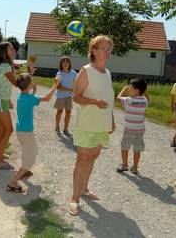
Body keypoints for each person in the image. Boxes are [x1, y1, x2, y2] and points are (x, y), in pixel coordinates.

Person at [68, 35, 116, 216]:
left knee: (92, 157)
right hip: (86, 124)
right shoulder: (86, 71)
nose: (107, 52)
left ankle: (84, 189)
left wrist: (111, 120)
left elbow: (109, 99)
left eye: (109, 49)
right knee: (82, 159)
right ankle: (74, 197)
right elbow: (76, 96)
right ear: (94, 51)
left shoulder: (108, 73)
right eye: (104, 48)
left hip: (102, 125)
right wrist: (95, 102)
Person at [6, 73, 58, 193]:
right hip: (27, 133)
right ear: (29, 85)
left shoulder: (21, 97)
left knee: (27, 151)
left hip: (20, 131)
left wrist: (33, 90)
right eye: (32, 82)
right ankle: (13, 183)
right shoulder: (30, 98)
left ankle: (24, 171)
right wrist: (55, 85)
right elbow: (47, 98)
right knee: (31, 156)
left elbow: (31, 100)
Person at [0, 42, 18, 169]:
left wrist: (9, 100)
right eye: (11, 49)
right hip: (0, 100)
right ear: (4, 53)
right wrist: (30, 72)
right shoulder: (6, 66)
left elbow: (4, 85)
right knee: (8, 129)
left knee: (2, 129)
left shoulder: (4, 65)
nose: (14, 50)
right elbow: (18, 83)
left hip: (0, 99)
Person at [116, 79, 149, 175]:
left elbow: (118, 98)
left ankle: (125, 165)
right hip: (140, 130)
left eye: (130, 87)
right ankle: (134, 167)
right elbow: (147, 98)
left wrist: (123, 90)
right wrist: (144, 91)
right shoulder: (144, 100)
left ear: (137, 90)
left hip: (129, 130)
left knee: (124, 147)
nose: (129, 88)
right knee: (137, 149)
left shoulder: (128, 100)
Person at [54, 57, 77, 136]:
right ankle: (57, 126)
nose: (65, 64)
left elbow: (78, 82)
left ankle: (65, 128)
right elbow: (59, 87)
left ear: (69, 63)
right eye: (63, 62)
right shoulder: (59, 74)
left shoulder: (73, 73)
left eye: (67, 62)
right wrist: (71, 90)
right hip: (60, 96)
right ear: (61, 64)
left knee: (68, 112)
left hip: (69, 97)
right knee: (59, 111)